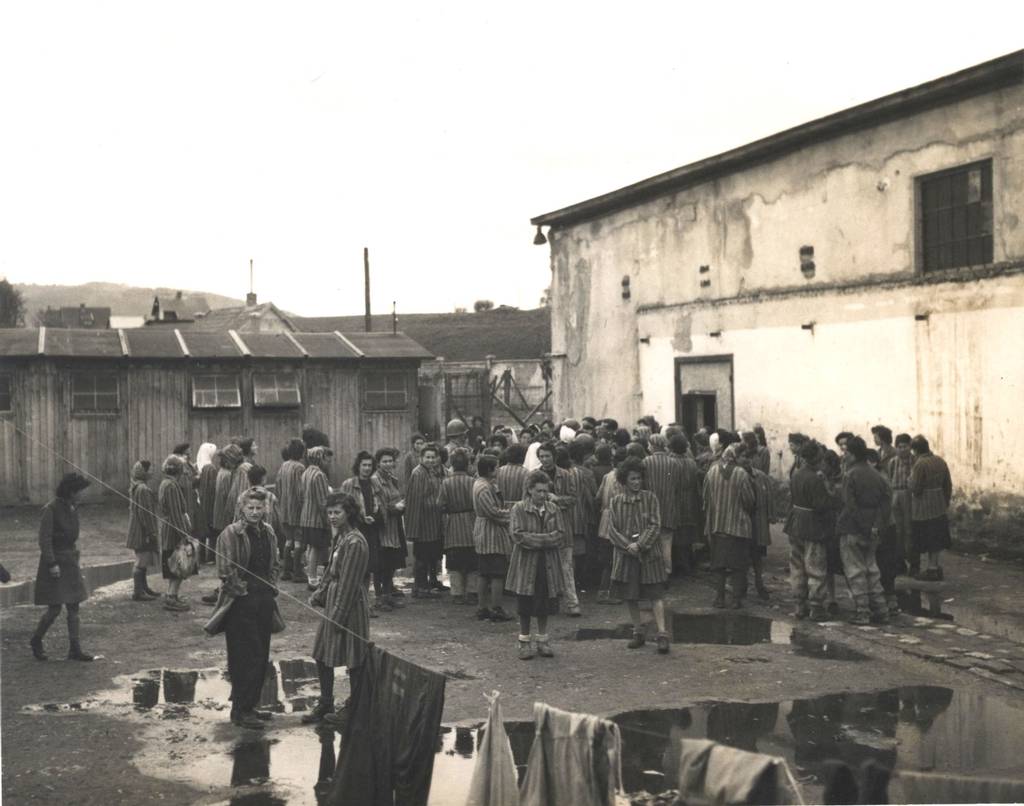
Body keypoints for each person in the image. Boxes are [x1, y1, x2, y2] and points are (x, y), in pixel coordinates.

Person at [205, 486, 282, 729]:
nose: (255, 512)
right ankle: (240, 710)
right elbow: (225, 570)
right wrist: (242, 591)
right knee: (243, 657)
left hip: (265, 600)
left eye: (260, 508)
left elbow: (275, 564)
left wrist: (270, 586)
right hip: (240, 603)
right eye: (251, 508)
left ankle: (251, 706)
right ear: (242, 508)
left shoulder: (269, 532)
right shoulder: (230, 533)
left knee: (261, 654)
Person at [303, 492, 369, 727]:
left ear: (348, 513)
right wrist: (319, 594)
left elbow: (349, 583)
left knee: (355, 657)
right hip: (335, 601)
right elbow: (332, 571)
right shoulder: (341, 537)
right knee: (322, 654)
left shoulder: (355, 542)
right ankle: (326, 701)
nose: (332, 517)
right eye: (329, 512)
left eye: (337, 512)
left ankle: (355, 707)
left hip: (350, 606)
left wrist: (337, 617)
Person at [607, 458, 670, 654]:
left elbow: (655, 524)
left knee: (655, 594)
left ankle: (662, 634)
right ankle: (638, 631)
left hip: (649, 554)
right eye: (633, 479)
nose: (637, 482)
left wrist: (640, 544)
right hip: (627, 556)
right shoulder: (616, 502)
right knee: (630, 595)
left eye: (639, 478)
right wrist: (628, 546)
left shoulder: (650, 498)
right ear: (624, 481)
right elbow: (613, 529)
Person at [30, 472, 94, 662]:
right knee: (55, 608)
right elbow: (44, 540)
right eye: (80, 491)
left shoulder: (73, 507)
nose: (83, 495)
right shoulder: (50, 509)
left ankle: (75, 649)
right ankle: (36, 639)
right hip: (56, 563)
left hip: (70, 561)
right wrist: (52, 564)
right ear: (71, 492)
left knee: (74, 606)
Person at [507, 471, 566, 660]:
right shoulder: (518, 509)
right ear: (530, 490)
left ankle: (543, 640)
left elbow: (560, 534)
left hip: (547, 563)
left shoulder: (553, 509)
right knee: (525, 603)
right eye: (539, 491)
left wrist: (537, 539)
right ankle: (524, 642)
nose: (542, 495)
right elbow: (518, 535)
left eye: (545, 491)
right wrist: (545, 540)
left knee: (545, 602)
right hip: (526, 564)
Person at [837, 436, 891, 625]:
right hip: (873, 528)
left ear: (852, 454)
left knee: (855, 571)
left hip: (853, 528)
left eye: (846, 452)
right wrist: (875, 526)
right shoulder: (877, 475)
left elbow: (849, 505)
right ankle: (882, 609)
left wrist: (863, 527)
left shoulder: (850, 475)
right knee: (872, 570)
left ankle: (863, 611)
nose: (844, 456)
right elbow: (886, 503)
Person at [529, 442, 581, 616]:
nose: (544, 459)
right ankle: (549, 604)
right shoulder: (533, 475)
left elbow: (574, 499)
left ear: (554, 456)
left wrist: (557, 499)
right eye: (541, 456)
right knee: (544, 567)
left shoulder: (566, 475)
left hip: (562, 525)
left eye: (547, 456)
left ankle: (572, 604)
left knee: (566, 567)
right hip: (541, 526)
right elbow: (527, 499)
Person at [784, 441, 833, 621]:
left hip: (795, 523)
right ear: (816, 458)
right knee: (815, 566)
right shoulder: (815, 478)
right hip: (813, 526)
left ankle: (799, 605)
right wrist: (830, 494)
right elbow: (821, 505)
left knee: (796, 567)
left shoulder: (796, 475)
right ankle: (817, 607)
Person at [703, 445, 755, 609]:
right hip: (738, 527)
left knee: (719, 565)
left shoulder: (711, 472)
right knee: (738, 566)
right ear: (735, 458)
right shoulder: (741, 474)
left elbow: (706, 500)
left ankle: (719, 598)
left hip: (717, 525)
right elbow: (749, 501)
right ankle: (735, 600)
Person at [338, 451, 387, 613]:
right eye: (364, 465)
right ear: (357, 466)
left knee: (368, 569)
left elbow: (382, 506)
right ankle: (350, 604)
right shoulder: (349, 484)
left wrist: (376, 517)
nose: (367, 468)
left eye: (369, 465)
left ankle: (365, 605)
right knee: (353, 569)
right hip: (355, 531)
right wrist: (360, 518)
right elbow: (342, 510)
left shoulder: (375, 484)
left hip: (372, 532)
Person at [472, 454, 515, 622]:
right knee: (496, 572)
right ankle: (495, 608)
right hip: (490, 532)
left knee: (484, 572)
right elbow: (492, 511)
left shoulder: (483, 484)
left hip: (485, 531)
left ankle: (482, 607)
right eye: (496, 467)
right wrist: (511, 514)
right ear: (489, 469)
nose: (498, 470)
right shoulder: (484, 487)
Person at [909, 435, 953, 582]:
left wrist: (909, 480)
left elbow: (915, 488)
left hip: (923, 508)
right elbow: (948, 484)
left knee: (928, 539)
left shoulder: (920, 464)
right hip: (939, 505)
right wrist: (945, 501)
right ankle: (935, 566)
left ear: (915, 450)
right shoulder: (940, 461)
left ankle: (931, 569)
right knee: (937, 539)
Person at [437, 448, 479, 604]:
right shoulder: (473, 482)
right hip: (471, 523)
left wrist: (450, 508)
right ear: (467, 464)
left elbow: (440, 505)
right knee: (472, 561)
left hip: (453, 524)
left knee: (454, 562)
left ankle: (457, 594)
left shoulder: (446, 483)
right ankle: (472, 592)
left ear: (452, 464)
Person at [406, 443, 445, 597]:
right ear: (421, 458)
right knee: (422, 555)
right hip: (423, 522)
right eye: (427, 457)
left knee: (432, 553)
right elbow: (415, 501)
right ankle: (420, 587)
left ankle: (431, 582)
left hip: (433, 521)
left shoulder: (431, 472)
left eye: (433, 457)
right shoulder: (418, 474)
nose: (430, 460)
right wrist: (414, 527)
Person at [372, 447, 408, 608]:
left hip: (394, 525)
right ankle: (380, 597)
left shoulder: (393, 479)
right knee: (382, 564)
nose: (388, 464)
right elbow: (379, 506)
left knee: (392, 562)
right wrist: (395, 508)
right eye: (384, 461)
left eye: (390, 461)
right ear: (378, 463)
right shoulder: (375, 480)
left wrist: (402, 505)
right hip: (383, 527)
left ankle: (388, 595)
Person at [159, 455, 193, 612]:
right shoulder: (171, 486)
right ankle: (171, 597)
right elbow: (175, 513)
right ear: (178, 470)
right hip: (173, 529)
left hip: (170, 527)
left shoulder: (167, 483)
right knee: (178, 561)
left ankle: (172, 595)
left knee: (176, 561)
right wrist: (183, 534)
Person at [641, 434, 677, 577]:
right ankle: (666, 572)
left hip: (650, 507)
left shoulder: (646, 462)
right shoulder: (673, 462)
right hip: (669, 507)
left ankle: (652, 573)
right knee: (666, 541)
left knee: (650, 540)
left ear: (653, 445)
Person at [668, 434, 703, 575]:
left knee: (677, 531)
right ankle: (688, 561)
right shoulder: (692, 462)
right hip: (690, 499)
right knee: (688, 531)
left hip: (676, 499)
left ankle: (680, 564)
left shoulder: (671, 462)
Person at [299, 446, 333, 589]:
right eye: (327, 458)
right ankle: (312, 579)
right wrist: (327, 520)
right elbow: (322, 501)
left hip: (306, 516)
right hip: (316, 518)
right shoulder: (319, 475)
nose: (329, 462)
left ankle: (314, 576)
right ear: (320, 458)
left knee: (312, 547)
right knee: (316, 548)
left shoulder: (306, 472)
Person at [126, 460, 160, 601]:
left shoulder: (137, 487)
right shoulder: (143, 489)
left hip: (138, 527)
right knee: (141, 560)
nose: (152, 472)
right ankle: (138, 591)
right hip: (142, 530)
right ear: (144, 472)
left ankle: (143, 588)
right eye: (150, 469)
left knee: (143, 559)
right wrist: (151, 531)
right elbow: (145, 513)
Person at [276, 438, 307, 581]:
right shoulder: (300, 468)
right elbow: (301, 491)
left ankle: (286, 571)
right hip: (297, 510)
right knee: (299, 540)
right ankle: (298, 572)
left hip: (284, 508)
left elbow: (277, 487)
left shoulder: (283, 466)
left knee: (288, 540)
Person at [888, 433, 916, 574]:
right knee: (897, 531)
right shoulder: (893, 462)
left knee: (909, 530)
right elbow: (889, 477)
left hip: (909, 495)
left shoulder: (915, 460)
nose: (902, 449)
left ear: (910, 447)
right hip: (896, 495)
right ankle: (900, 563)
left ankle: (912, 562)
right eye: (899, 447)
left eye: (905, 446)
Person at [196, 444, 220, 564]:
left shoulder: (199, 466)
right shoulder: (211, 468)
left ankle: (201, 556)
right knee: (212, 530)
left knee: (202, 530)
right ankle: (211, 556)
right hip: (210, 502)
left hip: (201, 501)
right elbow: (213, 487)